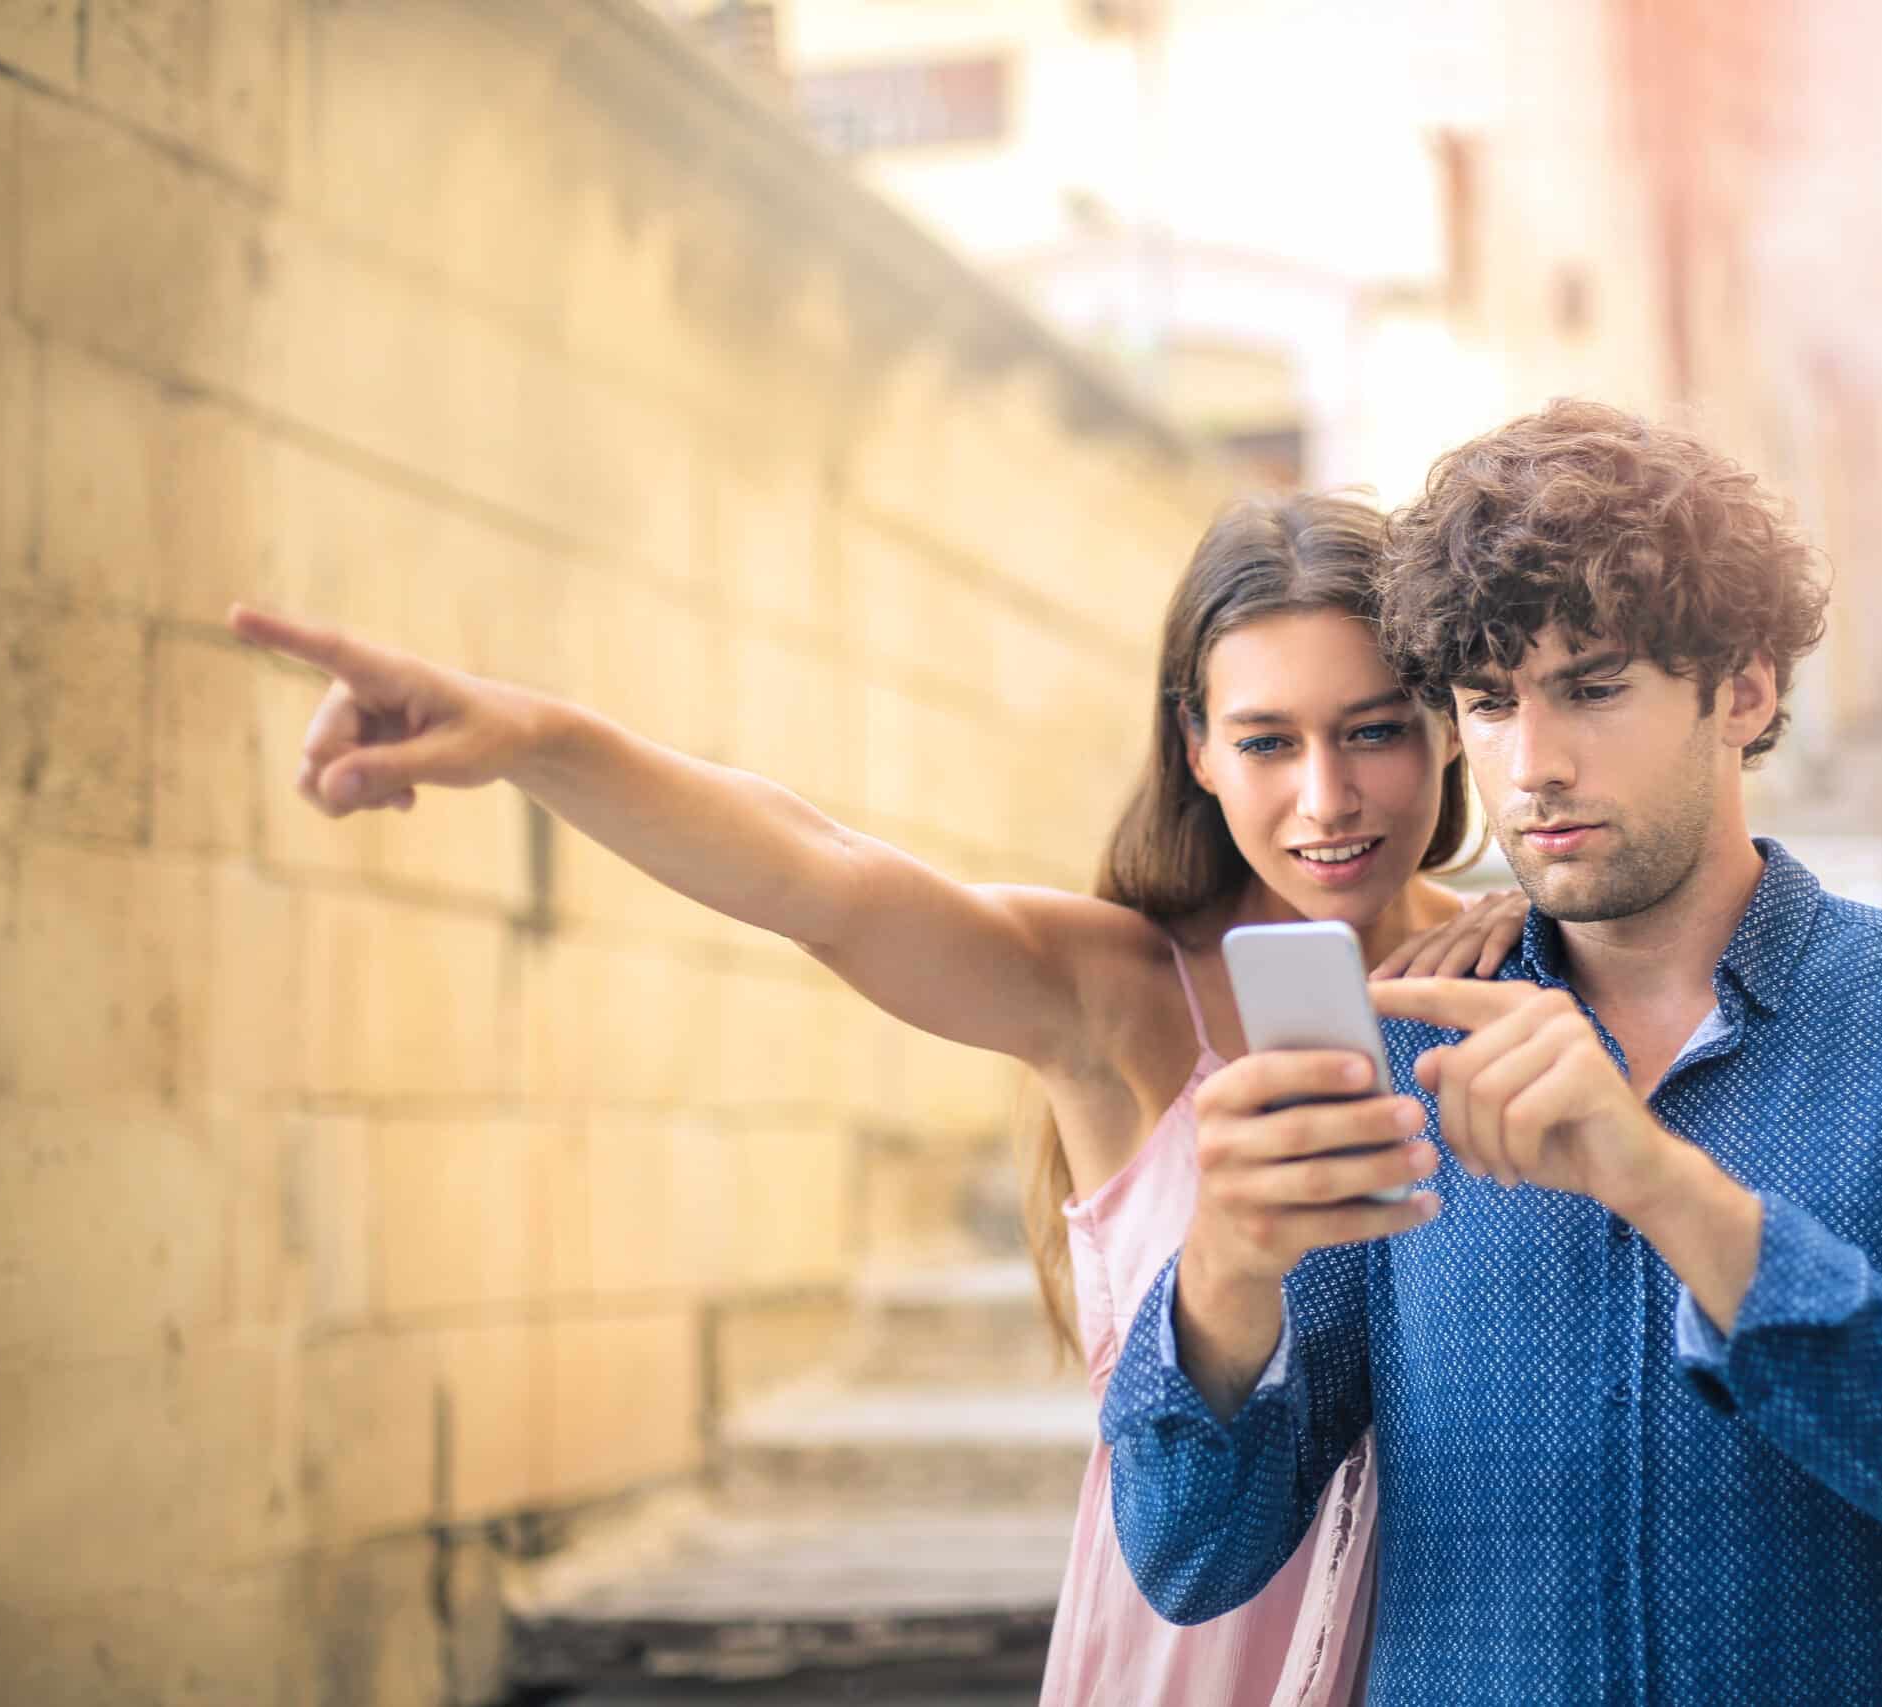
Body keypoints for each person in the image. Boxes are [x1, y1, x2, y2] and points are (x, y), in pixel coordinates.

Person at [232, 493, 1526, 1707]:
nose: (1327, 798)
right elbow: (822, 874)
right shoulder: (1115, 994)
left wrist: (1547, 924)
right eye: (1265, 741)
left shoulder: (1526, 963)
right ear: (1194, 744)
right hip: (1196, 1641)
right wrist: (535, 741)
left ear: (1447, 721)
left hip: (1469, 1621)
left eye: (1373, 729)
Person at [1103, 402, 1882, 1704]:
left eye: (1594, 687)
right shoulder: (1397, 1048)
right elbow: (1189, 1557)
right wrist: (1222, 1281)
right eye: (1490, 704)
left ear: (1746, 689)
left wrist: (1662, 1184)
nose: (1533, 765)